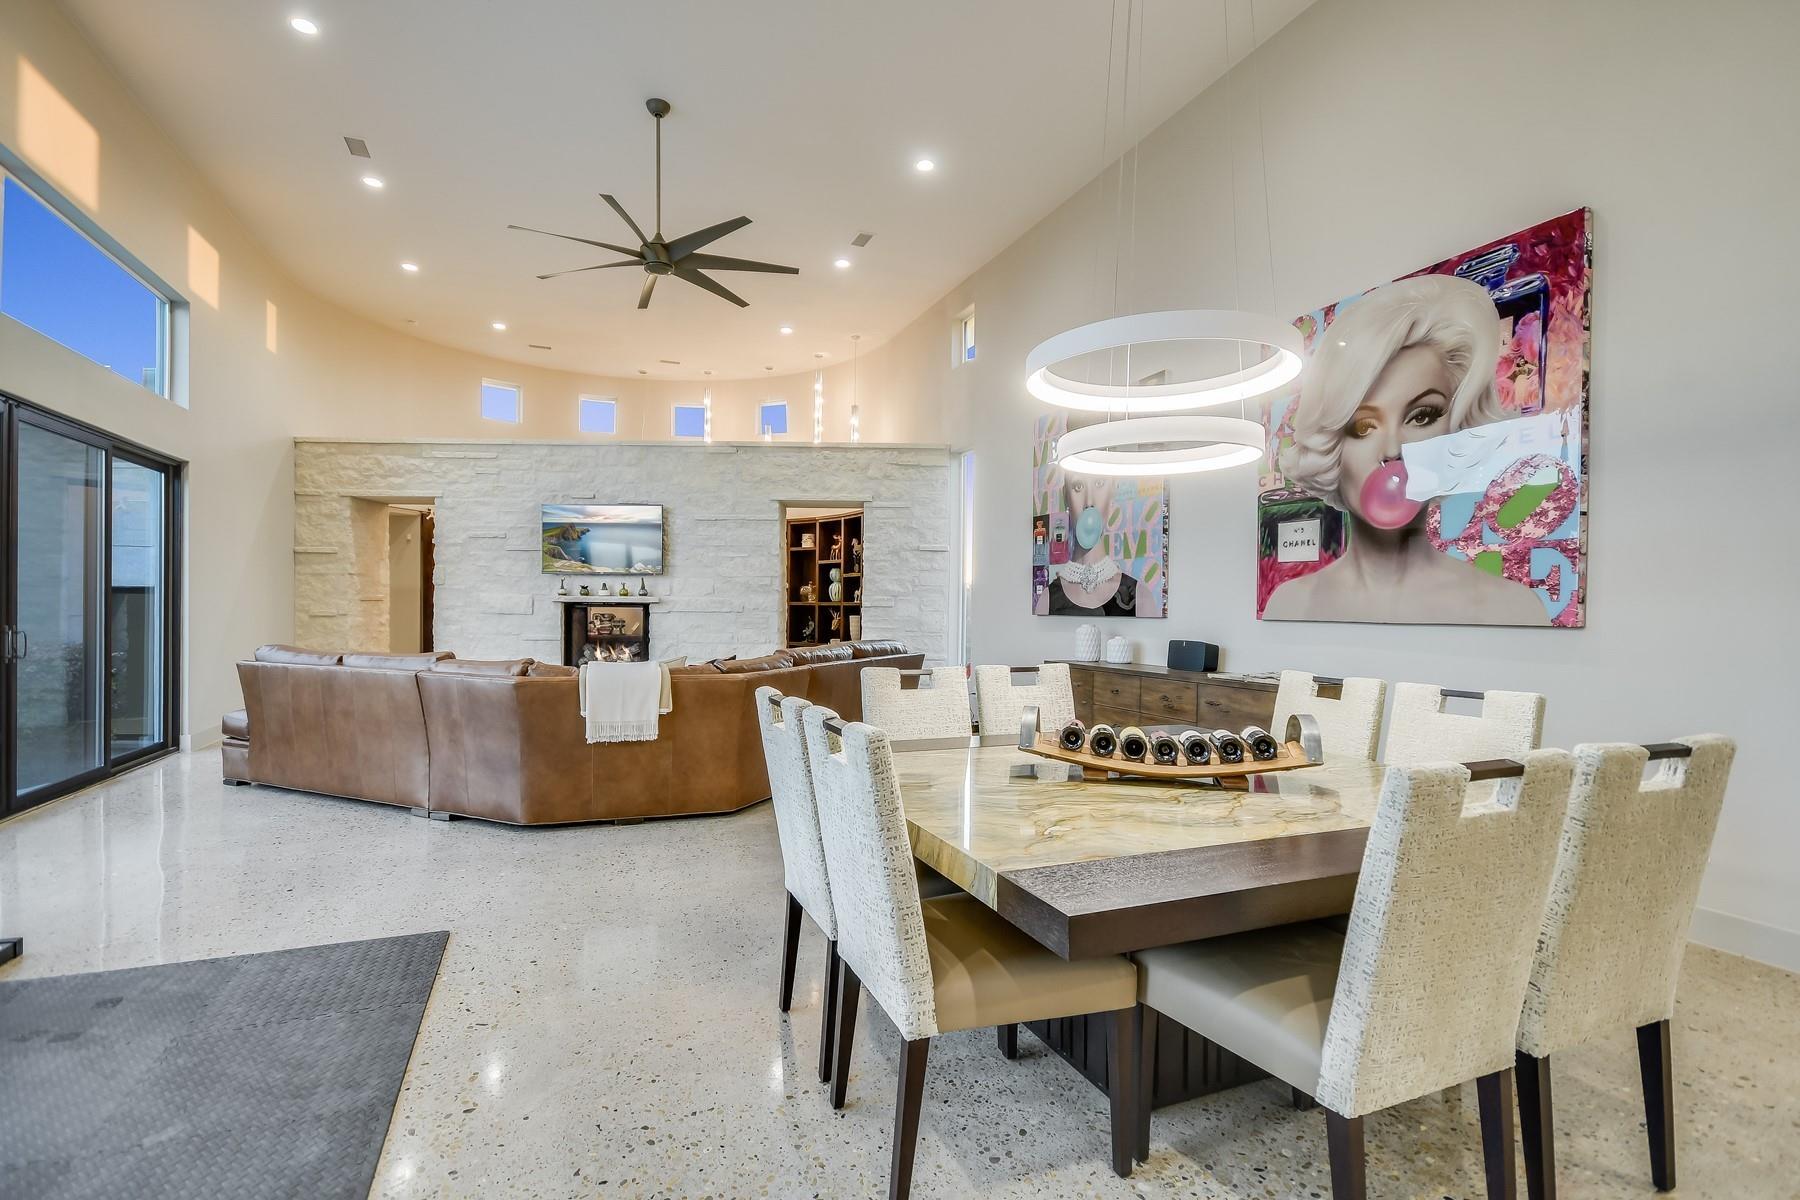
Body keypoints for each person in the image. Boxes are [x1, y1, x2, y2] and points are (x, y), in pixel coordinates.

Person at [1263, 274, 1549, 626]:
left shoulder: (1512, 609)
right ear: (1332, 446)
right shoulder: (1289, 606)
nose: (1392, 449)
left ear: (1455, 430)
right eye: (1363, 427)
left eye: (1422, 416)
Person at [1045, 469, 1148, 616]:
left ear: (1113, 490)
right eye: (1078, 486)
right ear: (1066, 496)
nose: (1089, 502)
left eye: (1099, 483)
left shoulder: (1138, 595)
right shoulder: (1048, 599)